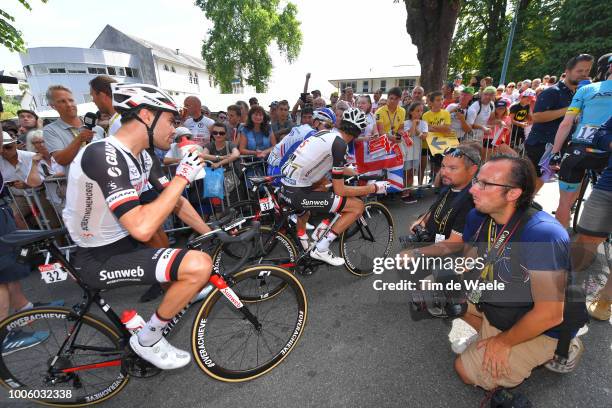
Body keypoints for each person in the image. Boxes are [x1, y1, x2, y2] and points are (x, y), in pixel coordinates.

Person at [62, 83, 214, 370]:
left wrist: (212, 232)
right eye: (172, 121)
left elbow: (175, 201)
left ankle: (178, 299)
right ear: (146, 116)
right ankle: (148, 339)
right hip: (99, 256)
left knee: (184, 266)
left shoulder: (143, 156)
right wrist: (183, 175)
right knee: (197, 265)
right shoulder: (104, 154)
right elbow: (142, 228)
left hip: (121, 244)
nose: (175, 129)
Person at [455, 155, 585, 390]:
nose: (473, 188)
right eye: (476, 180)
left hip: (546, 323)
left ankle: (565, 346)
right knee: (438, 290)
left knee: (465, 371)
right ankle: (488, 337)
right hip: (504, 301)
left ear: (513, 193)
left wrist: (504, 342)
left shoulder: (543, 234)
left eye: (485, 184)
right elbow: (470, 261)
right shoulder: (479, 215)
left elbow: (550, 314)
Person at [279, 108, 389, 266]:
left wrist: (352, 171)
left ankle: (318, 231)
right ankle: (321, 248)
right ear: (357, 133)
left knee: (325, 186)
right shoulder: (340, 145)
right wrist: (374, 188)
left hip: (287, 186)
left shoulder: (326, 134)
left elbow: (323, 163)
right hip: (298, 193)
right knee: (357, 206)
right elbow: (341, 190)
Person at [400, 145, 480, 301]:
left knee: (420, 280)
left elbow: (455, 244)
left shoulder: (472, 200)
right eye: (443, 166)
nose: (444, 172)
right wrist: (421, 221)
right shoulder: (451, 185)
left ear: (472, 170)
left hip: (453, 255)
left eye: (452, 168)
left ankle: (452, 294)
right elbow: (435, 208)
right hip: (436, 245)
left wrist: (416, 253)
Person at [549, 54, 612, 227]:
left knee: (564, 204)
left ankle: (560, 245)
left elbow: (566, 123)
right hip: (608, 150)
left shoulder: (586, 89)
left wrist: (555, 153)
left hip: (579, 150)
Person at [525, 54, 594, 192]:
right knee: (531, 182)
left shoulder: (578, 93)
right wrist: (570, 109)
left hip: (560, 146)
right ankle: (522, 207)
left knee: (541, 181)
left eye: (587, 71)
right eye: (580, 71)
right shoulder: (552, 92)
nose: (584, 75)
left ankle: (527, 204)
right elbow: (537, 117)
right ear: (567, 72)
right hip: (541, 144)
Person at [571, 115, 612, 320]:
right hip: (607, 186)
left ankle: (606, 298)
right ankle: (560, 287)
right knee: (585, 239)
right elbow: (601, 133)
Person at [267, 108, 336, 178]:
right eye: (328, 126)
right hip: (277, 171)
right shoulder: (311, 135)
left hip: (277, 166)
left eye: (332, 127)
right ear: (316, 123)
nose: (330, 131)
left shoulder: (307, 129)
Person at [43, 85, 96, 167]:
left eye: (71, 100)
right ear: (52, 106)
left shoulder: (95, 126)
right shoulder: (50, 130)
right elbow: (61, 160)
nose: (69, 104)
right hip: (78, 179)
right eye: (62, 101)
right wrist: (79, 139)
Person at [0, 132, 44, 229]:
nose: (4, 151)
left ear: (15, 145)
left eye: (8, 147)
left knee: (52, 221)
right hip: (19, 197)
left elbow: (43, 178)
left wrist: (27, 184)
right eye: (1, 148)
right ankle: (31, 241)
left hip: (41, 193)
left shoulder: (31, 156)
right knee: (13, 215)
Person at [202, 122, 241, 202]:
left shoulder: (229, 144)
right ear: (212, 134)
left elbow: (236, 154)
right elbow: (202, 155)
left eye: (221, 133)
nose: (218, 135)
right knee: (218, 208)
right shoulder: (209, 145)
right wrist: (220, 157)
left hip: (230, 181)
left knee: (234, 206)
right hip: (214, 181)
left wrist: (219, 163)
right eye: (215, 133)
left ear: (226, 134)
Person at [423, 91, 452, 183]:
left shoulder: (446, 113)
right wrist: (441, 129)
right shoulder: (426, 115)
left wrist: (433, 127)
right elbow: (427, 129)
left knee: (443, 163)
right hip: (432, 142)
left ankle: (440, 181)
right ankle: (434, 179)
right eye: (438, 100)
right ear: (431, 103)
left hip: (444, 142)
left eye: (442, 99)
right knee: (434, 163)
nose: (440, 102)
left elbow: (447, 128)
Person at [401, 102, 428, 202]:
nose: (420, 113)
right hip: (407, 152)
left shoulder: (423, 123)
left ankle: (408, 191)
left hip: (417, 152)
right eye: (417, 111)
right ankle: (404, 192)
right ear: (411, 112)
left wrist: (416, 129)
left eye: (421, 111)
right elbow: (409, 134)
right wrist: (413, 125)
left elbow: (424, 136)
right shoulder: (406, 123)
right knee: (406, 172)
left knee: (413, 172)